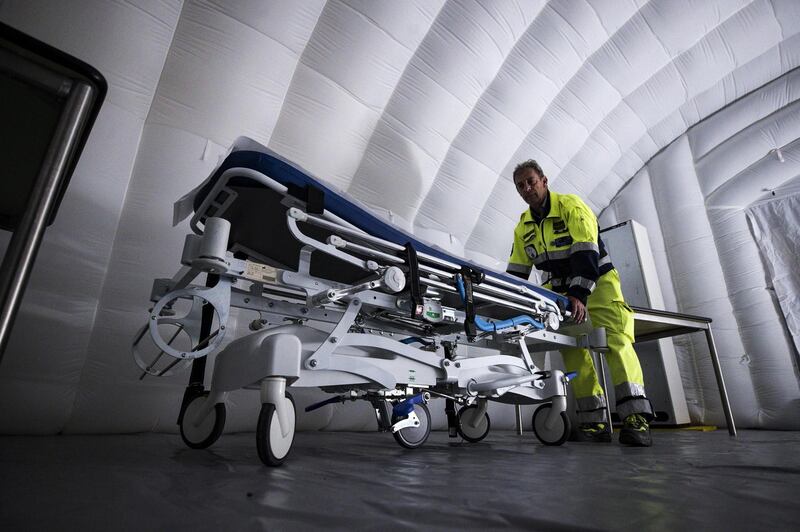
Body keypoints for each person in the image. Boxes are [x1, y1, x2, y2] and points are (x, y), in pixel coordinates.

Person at [506, 159, 653, 446]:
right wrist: (508, 304)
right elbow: (517, 273)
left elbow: (587, 252)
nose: (526, 189)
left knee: (615, 343)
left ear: (544, 181)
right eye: (520, 186)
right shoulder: (523, 227)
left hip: (597, 286)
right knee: (572, 351)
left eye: (531, 182)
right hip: (558, 296)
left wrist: (579, 295)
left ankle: (636, 418)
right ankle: (594, 423)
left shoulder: (571, 206)